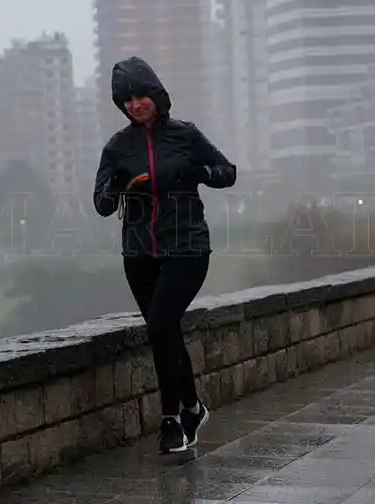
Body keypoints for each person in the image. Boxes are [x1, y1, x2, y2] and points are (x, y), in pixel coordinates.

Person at [92, 56, 237, 454]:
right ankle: (192, 408)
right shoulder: (117, 147)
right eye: (126, 100)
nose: (135, 104)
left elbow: (227, 172)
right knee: (165, 330)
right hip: (139, 255)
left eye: (140, 95)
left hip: (187, 247)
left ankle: (172, 417)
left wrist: (197, 173)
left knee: (159, 326)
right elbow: (101, 203)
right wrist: (117, 186)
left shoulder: (185, 135)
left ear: (156, 95)